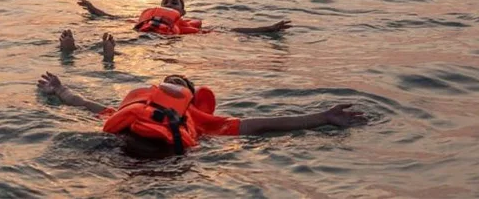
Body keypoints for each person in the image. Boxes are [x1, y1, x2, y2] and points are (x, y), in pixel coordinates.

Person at [37, 71, 367, 157]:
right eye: (167, 82)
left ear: (192, 100)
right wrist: (62, 92)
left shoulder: (204, 121)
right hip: (123, 144)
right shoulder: (137, 110)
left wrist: (323, 117)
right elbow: (89, 107)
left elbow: (264, 124)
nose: (171, 86)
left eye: (179, 85)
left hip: (166, 154)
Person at [76, 0, 292, 35]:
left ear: (182, 11)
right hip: (145, 35)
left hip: (170, 40)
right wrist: (92, 8)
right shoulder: (143, 19)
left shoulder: (190, 27)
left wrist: (268, 29)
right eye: (166, 2)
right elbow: (111, 18)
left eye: (174, 3)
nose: (170, 4)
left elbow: (232, 31)